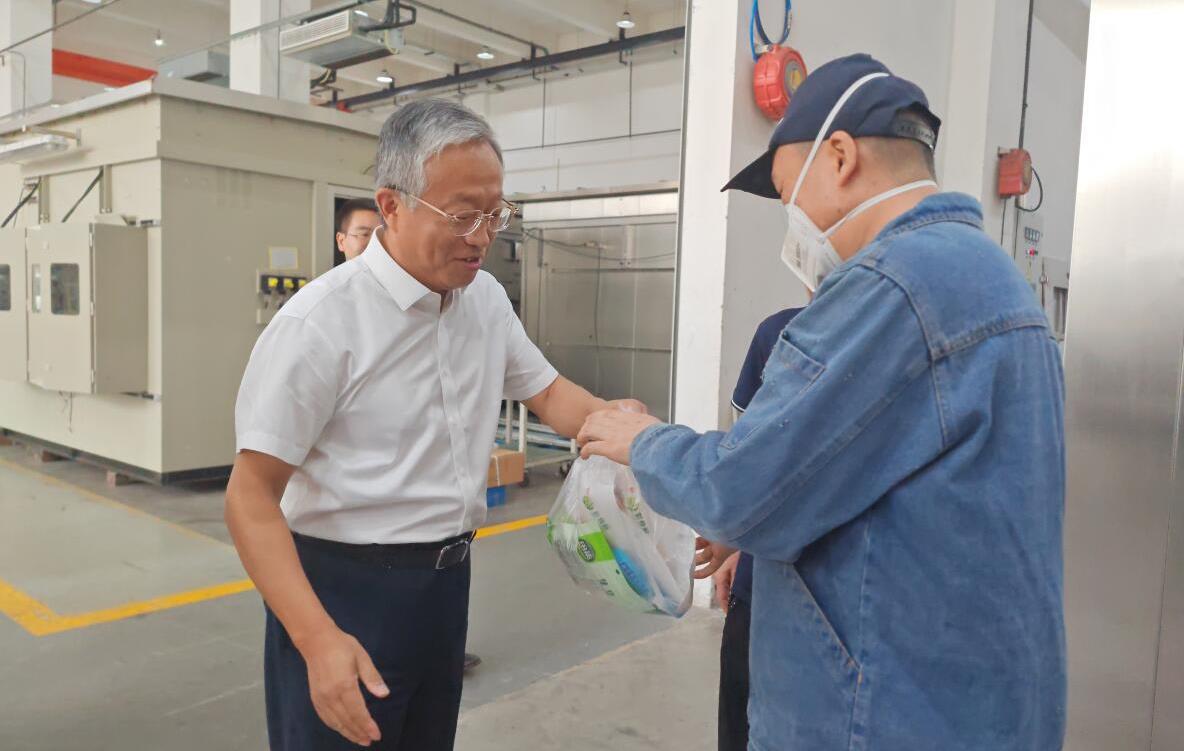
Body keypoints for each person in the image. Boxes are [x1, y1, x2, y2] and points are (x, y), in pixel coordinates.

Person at [578, 53, 1066, 750]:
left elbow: (741, 489)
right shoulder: (993, 281)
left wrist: (643, 440)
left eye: (788, 197)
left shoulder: (892, 287)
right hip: (969, 701)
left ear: (840, 157)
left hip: (884, 714)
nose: (793, 227)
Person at [226, 98, 642, 751]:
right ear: (390, 206)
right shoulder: (320, 324)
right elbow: (249, 498)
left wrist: (630, 430)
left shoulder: (485, 301)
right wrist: (316, 639)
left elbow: (550, 393)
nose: (481, 236)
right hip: (342, 592)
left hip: (446, 586)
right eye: (462, 214)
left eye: (495, 213)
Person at [708, 307, 802, 751]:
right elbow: (749, 460)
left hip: (834, 610)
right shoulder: (777, 333)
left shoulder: (904, 342)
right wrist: (742, 545)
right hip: (758, 588)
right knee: (741, 728)